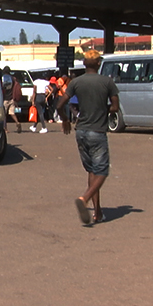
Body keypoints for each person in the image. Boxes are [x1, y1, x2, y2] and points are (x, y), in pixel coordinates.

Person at [56, 50, 119, 225]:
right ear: (98, 63)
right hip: (97, 131)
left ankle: (97, 212)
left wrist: (65, 120)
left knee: (92, 170)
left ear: (84, 64)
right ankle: (85, 198)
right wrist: (103, 110)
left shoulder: (76, 82)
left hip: (81, 131)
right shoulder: (107, 82)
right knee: (102, 171)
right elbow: (115, 107)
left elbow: (60, 105)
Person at [1, 66, 22, 133]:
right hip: (12, 98)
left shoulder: (2, 78)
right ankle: (17, 122)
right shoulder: (13, 79)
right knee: (12, 113)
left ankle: (5, 129)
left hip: (5, 99)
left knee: (4, 115)